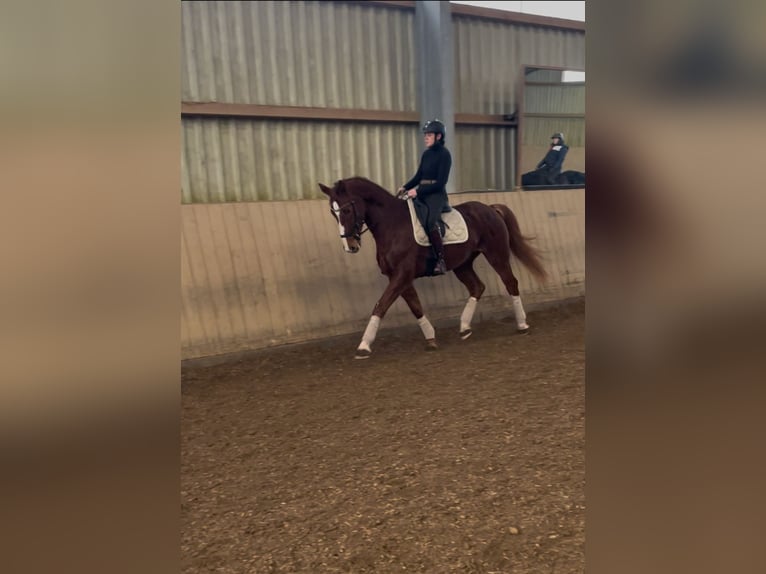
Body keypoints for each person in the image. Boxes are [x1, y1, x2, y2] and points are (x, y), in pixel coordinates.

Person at [397, 119, 452, 276]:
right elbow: (418, 176)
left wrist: (417, 192)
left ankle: (441, 260)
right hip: (422, 192)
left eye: (429, 135)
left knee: (430, 221)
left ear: (439, 136)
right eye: (425, 135)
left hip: (436, 195)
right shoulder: (426, 154)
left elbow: (440, 183)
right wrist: (405, 187)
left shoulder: (445, 155)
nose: (426, 138)